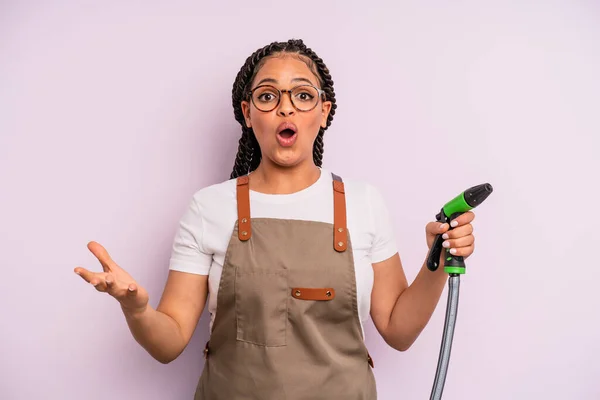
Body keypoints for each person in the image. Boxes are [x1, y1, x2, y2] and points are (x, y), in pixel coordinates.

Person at [74, 39, 477, 399]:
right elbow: (169, 343)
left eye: (302, 95)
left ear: (324, 112)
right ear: (248, 114)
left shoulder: (364, 203)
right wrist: (138, 310)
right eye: (268, 96)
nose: (286, 106)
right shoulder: (209, 208)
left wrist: (439, 259)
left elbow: (398, 330)